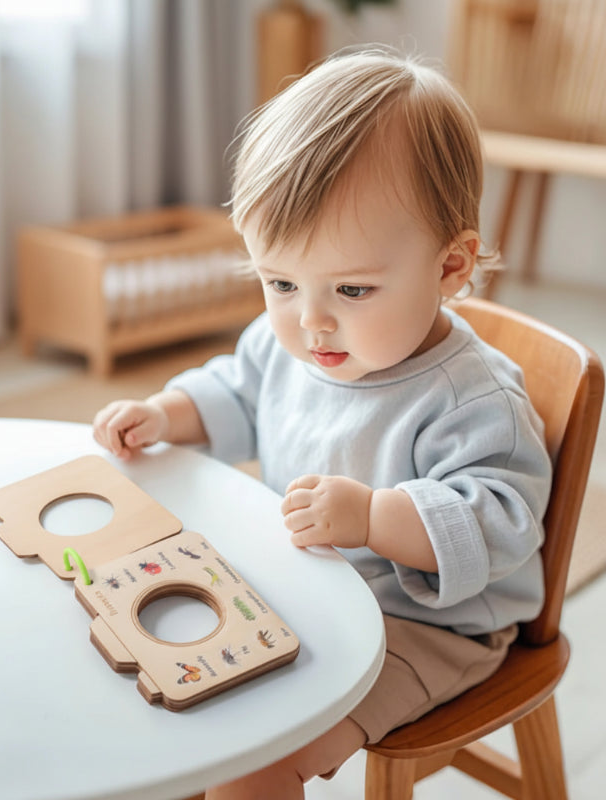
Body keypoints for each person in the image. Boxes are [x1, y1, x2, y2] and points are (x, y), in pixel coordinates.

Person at [92, 47, 552, 799]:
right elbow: (237, 389)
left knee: (255, 760)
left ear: (450, 267)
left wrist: (375, 517)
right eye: (279, 281)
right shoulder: (303, 343)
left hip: (426, 631)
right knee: (157, 678)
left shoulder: (473, 399)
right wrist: (165, 413)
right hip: (302, 588)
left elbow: (500, 524)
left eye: (352, 288)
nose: (311, 323)